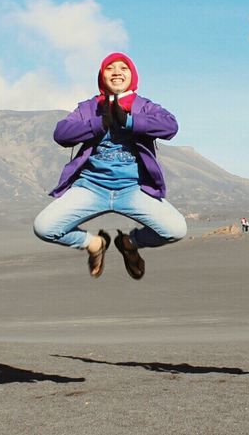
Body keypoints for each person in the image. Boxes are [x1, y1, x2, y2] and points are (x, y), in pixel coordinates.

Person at [33, 52, 187, 279]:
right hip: (91, 187)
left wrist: (130, 121)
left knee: (176, 229)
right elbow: (62, 134)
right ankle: (95, 244)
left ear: (132, 76)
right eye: (110, 68)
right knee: (44, 227)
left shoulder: (144, 106)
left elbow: (170, 127)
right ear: (102, 76)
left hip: (133, 189)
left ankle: (129, 243)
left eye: (123, 68)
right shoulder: (89, 108)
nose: (116, 72)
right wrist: (99, 122)